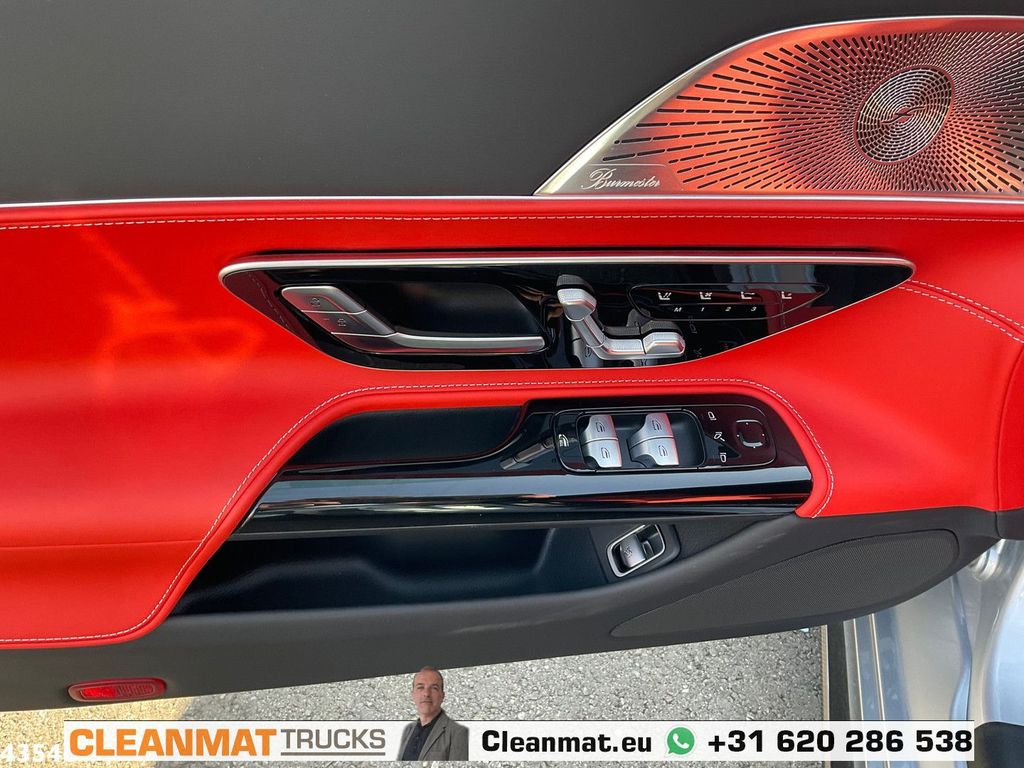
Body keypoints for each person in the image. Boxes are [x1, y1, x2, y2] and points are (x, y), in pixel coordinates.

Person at [398, 666, 469, 761]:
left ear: (442, 696)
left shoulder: (457, 733)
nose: (426, 693)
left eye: (434, 688)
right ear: (413, 694)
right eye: (420, 687)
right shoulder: (408, 730)